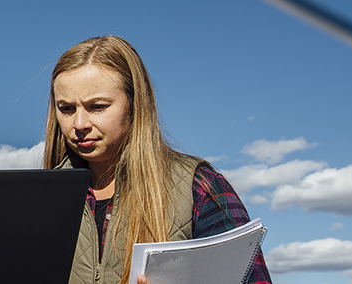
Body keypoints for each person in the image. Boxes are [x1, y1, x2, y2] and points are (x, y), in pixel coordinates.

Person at [43, 35, 271, 284]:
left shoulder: (197, 186)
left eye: (97, 106)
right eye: (66, 108)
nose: (79, 124)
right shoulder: (38, 197)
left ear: (135, 104)